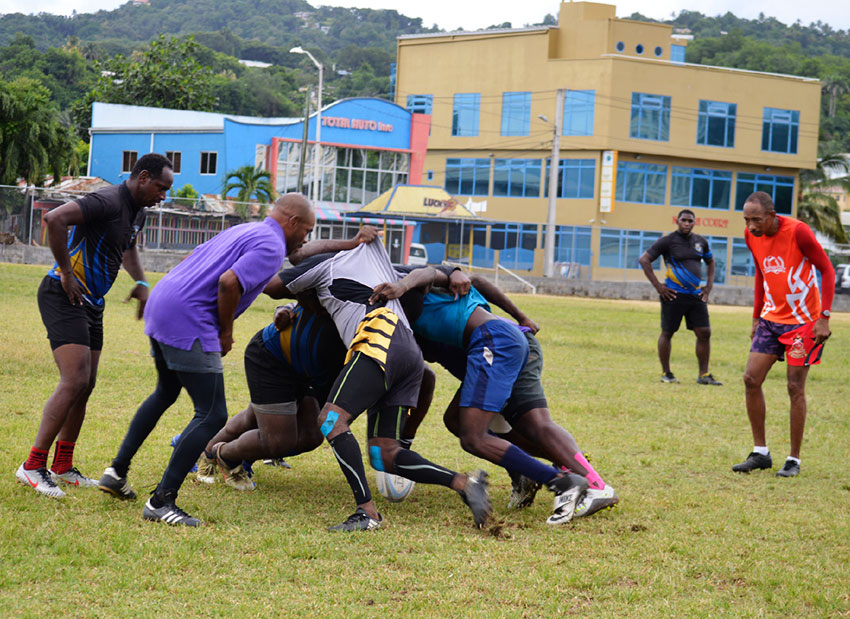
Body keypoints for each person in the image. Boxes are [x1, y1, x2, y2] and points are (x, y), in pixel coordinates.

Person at [97, 193, 315, 526]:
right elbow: (229, 283)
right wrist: (225, 333)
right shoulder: (271, 246)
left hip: (164, 301)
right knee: (213, 415)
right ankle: (161, 501)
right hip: (190, 317)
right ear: (293, 222)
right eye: (307, 231)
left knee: (165, 393)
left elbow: (198, 258)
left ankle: (116, 472)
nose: (305, 238)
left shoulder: (248, 230)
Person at [267, 240, 491, 532]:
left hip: (379, 334)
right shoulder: (372, 262)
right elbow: (427, 272)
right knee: (383, 453)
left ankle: (367, 512)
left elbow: (273, 284)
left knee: (331, 420)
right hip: (408, 351)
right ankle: (464, 483)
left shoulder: (325, 263)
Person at [371, 267, 590, 525]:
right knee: (457, 421)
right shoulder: (402, 321)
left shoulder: (427, 287)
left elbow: (447, 275)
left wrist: (522, 316)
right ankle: (536, 469)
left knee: (484, 435)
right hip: (487, 351)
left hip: (497, 342)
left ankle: (567, 479)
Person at [16, 154, 173, 498]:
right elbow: (54, 219)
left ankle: (62, 466)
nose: (163, 196)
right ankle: (32, 465)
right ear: (143, 177)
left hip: (92, 303)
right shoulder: (107, 200)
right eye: (161, 187)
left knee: (86, 384)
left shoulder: (136, 211)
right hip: (63, 293)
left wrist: (143, 283)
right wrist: (67, 273)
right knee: (74, 380)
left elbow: (128, 247)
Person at [732, 191, 834, 478]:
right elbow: (761, 275)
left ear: (772, 216)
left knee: (794, 387)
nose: (751, 225)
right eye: (746, 219)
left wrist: (824, 317)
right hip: (770, 320)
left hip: (803, 323)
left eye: (756, 219)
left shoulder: (798, 231)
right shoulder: (751, 236)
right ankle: (760, 453)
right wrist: (755, 316)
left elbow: (826, 270)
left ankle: (794, 459)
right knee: (751, 379)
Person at [195, 301, 345, 490]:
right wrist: (285, 309)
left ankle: (221, 452)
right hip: (276, 357)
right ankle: (219, 454)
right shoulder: (348, 285)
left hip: (312, 371)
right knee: (276, 437)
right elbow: (292, 289)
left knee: (311, 436)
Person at [639, 209, 722, 385]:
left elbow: (711, 261)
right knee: (668, 332)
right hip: (673, 295)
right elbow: (644, 259)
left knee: (704, 332)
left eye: (690, 221)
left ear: (694, 223)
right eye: (683, 220)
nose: (687, 223)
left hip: (695, 296)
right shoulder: (668, 241)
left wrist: (708, 287)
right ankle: (667, 373)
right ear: (677, 221)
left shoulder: (701, 242)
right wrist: (659, 287)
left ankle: (704, 375)